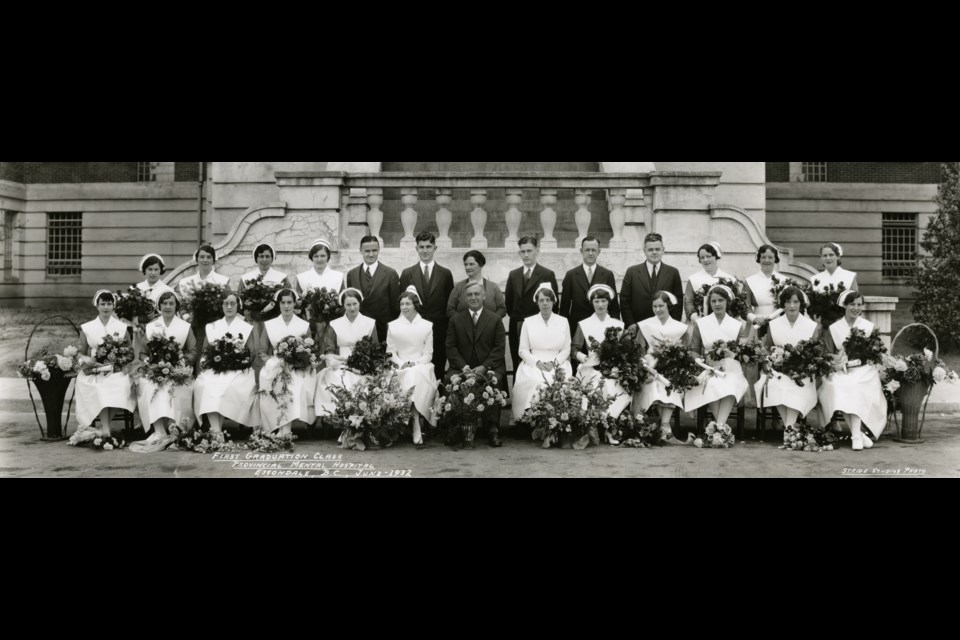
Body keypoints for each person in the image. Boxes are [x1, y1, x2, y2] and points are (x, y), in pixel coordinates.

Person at [818, 291, 886, 451]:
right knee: (840, 385)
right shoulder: (834, 328)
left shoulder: (868, 327)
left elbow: (874, 354)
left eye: (859, 304)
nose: (856, 308)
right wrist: (836, 363)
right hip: (840, 370)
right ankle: (858, 435)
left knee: (854, 385)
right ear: (845, 306)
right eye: (852, 304)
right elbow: (828, 354)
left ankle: (856, 435)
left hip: (864, 371)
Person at [445, 281, 507, 447]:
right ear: (465, 298)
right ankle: (454, 427)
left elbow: (499, 348)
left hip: (488, 367)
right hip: (462, 367)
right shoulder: (456, 320)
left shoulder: (495, 319)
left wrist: (484, 367)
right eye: (470, 295)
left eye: (477, 294)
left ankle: (492, 429)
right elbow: (450, 347)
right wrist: (463, 367)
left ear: (484, 296)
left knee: (495, 381)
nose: (473, 297)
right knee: (450, 379)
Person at [133, 291, 198, 449]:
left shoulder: (185, 326)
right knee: (149, 385)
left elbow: (193, 350)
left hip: (177, 370)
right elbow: (142, 353)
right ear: (159, 306)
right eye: (164, 304)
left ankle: (176, 429)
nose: (168, 307)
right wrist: (150, 362)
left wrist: (181, 362)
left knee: (177, 386)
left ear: (176, 306)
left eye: (171, 303)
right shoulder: (151, 327)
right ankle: (159, 430)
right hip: (155, 370)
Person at [754, 286, 821, 434]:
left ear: (800, 304)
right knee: (776, 385)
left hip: (801, 372)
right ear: (783, 304)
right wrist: (770, 363)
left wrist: (803, 366)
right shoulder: (774, 324)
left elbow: (815, 353)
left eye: (795, 302)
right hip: (777, 370)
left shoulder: (811, 326)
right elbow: (767, 348)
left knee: (796, 386)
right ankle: (791, 430)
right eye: (788, 302)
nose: (792, 306)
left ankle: (789, 430)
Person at [684, 285, 752, 432]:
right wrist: (700, 362)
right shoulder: (701, 324)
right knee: (712, 385)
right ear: (709, 303)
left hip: (731, 368)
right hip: (709, 367)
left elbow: (741, 352)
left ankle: (718, 428)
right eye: (713, 301)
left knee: (731, 385)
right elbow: (694, 350)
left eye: (720, 300)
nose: (717, 304)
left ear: (727, 302)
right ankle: (721, 429)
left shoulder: (736, 325)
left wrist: (732, 353)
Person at [194, 291, 260, 434]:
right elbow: (206, 351)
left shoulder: (246, 327)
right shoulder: (212, 326)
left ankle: (216, 430)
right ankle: (216, 430)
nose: (229, 307)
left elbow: (252, 352)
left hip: (239, 370)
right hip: (216, 368)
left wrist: (237, 360)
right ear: (222, 306)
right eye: (226, 303)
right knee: (207, 384)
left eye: (232, 303)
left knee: (227, 386)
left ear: (238, 306)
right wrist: (209, 362)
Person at [74, 290, 137, 438]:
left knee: (121, 387)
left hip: (116, 370)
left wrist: (120, 360)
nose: (106, 307)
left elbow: (130, 352)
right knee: (100, 389)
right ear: (97, 305)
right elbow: (80, 352)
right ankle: (106, 430)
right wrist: (86, 359)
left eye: (109, 304)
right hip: (94, 371)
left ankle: (104, 427)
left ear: (114, 305)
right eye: (103, 304)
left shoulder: (121, 328)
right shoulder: (88, 328)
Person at [570, 285, 630, 438]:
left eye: (603, 300)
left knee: (618, 389)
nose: (600, 305)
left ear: (608, 302)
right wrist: (585, 359)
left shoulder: (618, 325)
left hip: (613, 369)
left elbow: (624, 350)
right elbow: (574, 349)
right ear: (592, 303)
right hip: (592, 369)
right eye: (597, 301)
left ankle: (610, 426)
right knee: (596, 387)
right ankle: (595, 426)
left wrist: (618, 365)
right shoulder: (584, 324)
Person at [258, 288, 316, 436]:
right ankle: (281, 427)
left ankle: (285, 429)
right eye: (282, 302)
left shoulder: (304, 325)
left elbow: (309, 351)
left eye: (289, 302)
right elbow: (262, 351)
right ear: (278, 304)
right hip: (275, 364)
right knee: (274, 383)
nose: (286, 306)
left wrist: (296, 362)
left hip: (297, 367)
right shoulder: (269, 324)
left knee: (292, 385)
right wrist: (273, 362)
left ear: (295, 303)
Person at [386, 286, 440, 447]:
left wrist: (415, 363)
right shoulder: (393, 326)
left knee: (414, 374)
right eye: (402, 304)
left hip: (421, 365)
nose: (404, 307)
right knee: (407, 374)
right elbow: (390, 352)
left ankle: (415, 423)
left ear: (415, 305)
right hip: (398, 365)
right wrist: (402, 363)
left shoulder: (427, 326)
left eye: (408, 304)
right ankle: (411, 424)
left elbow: (428, 353)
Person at [633, 291, 689, 444]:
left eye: (661, 306)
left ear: (668, 306)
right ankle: (665, 426)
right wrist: (646, 363)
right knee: (655, 386)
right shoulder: (646, 325)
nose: (658, 309)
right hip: (651, 369)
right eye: (655, 306)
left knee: (672, 385)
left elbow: (685, 351)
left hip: (672, 369)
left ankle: (664, 424)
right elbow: (639, 349)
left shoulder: (679, 327)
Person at [511, 284, 572, 423]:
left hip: (558, 362)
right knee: (535, 381)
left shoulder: (563, 322)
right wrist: (537, 363)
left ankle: (557, 421)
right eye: (541, 300)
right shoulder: (528, 322)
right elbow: (522, 350)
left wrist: (554, 363)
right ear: (537, 302)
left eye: (548, 300)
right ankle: (529, 419)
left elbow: (567, 349)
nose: (545, 303)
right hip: (534, 362)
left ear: (553, 302)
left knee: (557, 382)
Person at [314, 288, 379, 418]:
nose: (352, 308)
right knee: (337, 377)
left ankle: (360, 418)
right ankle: (341, 419)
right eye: (348, 305)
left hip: (363, 365)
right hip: (340, 363)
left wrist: (366, 364)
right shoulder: (334, 324)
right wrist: (333, 359)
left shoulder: (370, 323)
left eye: (355, 304)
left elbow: (374, 348)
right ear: (343, 305)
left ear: (359, 304)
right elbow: (330, 348)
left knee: (362, 380)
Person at [400, 232, 455, 381]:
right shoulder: (407, 274)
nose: (425, 250)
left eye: (428, 247)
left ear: (435, 248)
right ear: (416, 249)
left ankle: (438, 401)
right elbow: (403, 305)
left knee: (437, 366)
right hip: (415, 331)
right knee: (416, 367)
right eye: (421, 247)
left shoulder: (445, 274)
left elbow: (449, 305)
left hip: (439, 330)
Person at [561, 237, 620, 373]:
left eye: (594, 250)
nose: (590, 253)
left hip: (602, 332)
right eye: (587, 250)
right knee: (581, 368)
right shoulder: (571, 275)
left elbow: (614, 306)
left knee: (603, 369)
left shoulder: (607, 274)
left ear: (599, 251)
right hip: (579, 332)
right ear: (581, 251)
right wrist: (566, 333)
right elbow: (564, 308)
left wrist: (615, 331)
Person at [505, 236, 558, 377]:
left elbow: (553, 304)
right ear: (519, 253)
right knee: (518, 361)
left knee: (536, 362)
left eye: (529, 250)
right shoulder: (513, 275)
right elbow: (509, 304)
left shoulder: (547, 274)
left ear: (537, 251)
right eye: (523, 251)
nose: (526, 255)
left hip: (538, 326)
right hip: (517, 324)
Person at [621, 233, 683, 328]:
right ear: (644, 251)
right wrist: (631, 323)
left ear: (663, 250)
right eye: (650, 249)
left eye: (657, 249)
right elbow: (624, 301)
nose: (654, 252)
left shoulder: (673, 272)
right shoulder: (632, 272)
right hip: (638, 327)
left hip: (665, 327)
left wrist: (673, 325)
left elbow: (678, 303)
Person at [345, 236, 400, 343]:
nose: (371, 254)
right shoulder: (352, 274)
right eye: (367, 251)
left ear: (379, 250)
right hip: (359, 330)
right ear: (360, 251)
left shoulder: (390, 274)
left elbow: (395, 308)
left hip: (382, 330)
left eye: (374, 250)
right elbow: (350, 303)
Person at [684, 242, 737, 321]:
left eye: (708, 256)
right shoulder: (693, 279)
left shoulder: (729, 279)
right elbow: (688, 303)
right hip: (700, 322)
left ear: (716, 257)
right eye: (702, 257)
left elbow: (735, 304)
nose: (705, 260)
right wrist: (696, 319)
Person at [447, 250, 507, 320]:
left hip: (489, 330)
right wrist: (461, 321)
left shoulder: (493, 287)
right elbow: (449, 310)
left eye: (471, 264)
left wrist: (492, 322)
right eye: (466, 264)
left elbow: (502, 308)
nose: (467, 267)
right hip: (463, 329)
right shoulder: (458, 287)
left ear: (481, 265)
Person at [812, 242, 859, 327]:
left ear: (838, 256)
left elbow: (856, 303)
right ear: (821, 258)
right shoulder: (815, 279)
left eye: (831, 255)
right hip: (823, 326)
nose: (828, 258)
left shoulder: (849, 276)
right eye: (825, 255)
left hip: (845, 324)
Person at [745, 244, 784, 327]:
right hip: (757, 324)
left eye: (770, 257)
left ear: (775, 259)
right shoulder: (750, 281)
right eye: (763, 257)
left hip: (779, 322)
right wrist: (754, 319)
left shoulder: (784, 280)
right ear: (759, 259)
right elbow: (745, 305)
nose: (767, 260)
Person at [136, 254, 175, 323]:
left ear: (161, 270)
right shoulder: (137, 288)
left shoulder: (167, 290)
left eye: (156, 269)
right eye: (150, 269)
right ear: (144, 270)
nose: (153, 273)